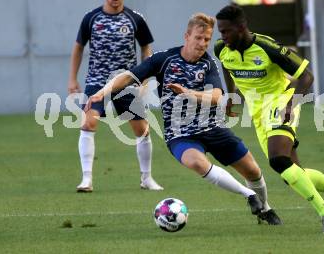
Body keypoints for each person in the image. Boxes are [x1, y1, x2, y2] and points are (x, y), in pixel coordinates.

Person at [85, 13, 281, 224]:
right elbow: (128, 76)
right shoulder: (163, 59)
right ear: (187, 36)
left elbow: (217, 97)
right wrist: (102, 92)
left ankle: (265, 208)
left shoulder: (208, 64)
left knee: (252, 170)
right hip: (179, 134)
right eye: (198, 38)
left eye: (207, 39)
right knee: (196, 163)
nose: (202, 43)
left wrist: (188, 93)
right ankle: (249, 195)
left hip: (212, 127)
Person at [214, 4, 324, 233]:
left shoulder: (267, 47)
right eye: (220, 31)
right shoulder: (222, 49)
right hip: (257, 114)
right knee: (293, 174)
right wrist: (232, 98)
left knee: (278, 160)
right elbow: (230, 70)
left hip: (280, 102)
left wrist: (291, 105)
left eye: (226, 31)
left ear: (241, 27)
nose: (222, 36)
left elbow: (307, 77)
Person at [68, 0, 163, 192]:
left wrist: (144, 77)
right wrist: (72, 78)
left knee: (142, 129)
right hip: (97, 81)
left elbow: (146, 47)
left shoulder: (135, 19)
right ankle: (87, 179)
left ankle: (146, 179)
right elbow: (78, 47)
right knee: (87, 123)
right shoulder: (91, 18)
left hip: (126, 82)